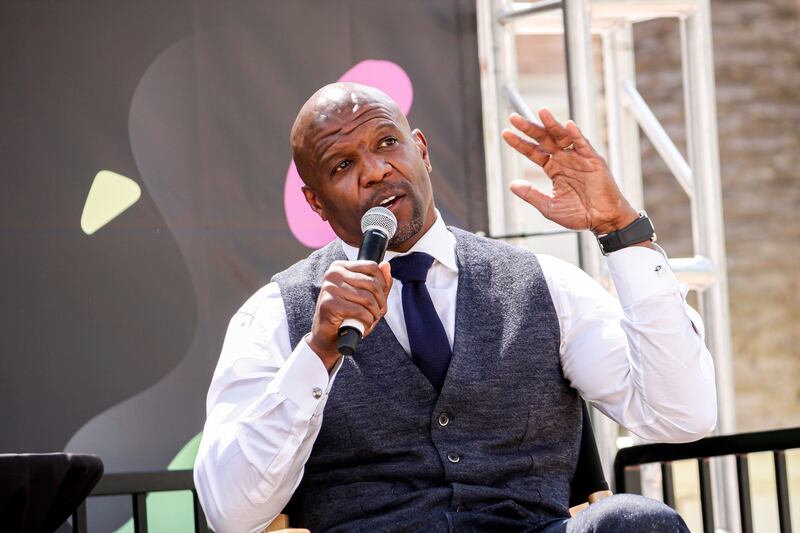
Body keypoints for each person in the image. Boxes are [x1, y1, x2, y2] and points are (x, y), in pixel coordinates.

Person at [194, 82, 717, 532]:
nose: (375, 171)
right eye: (343, 164)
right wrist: (318, 353)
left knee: (633, 522)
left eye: (388, 143)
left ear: (421, 150)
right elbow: (230, 513)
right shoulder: (276, 314)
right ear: (315, 201)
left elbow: (681, 416)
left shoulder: (543, 284)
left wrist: (619, 230)